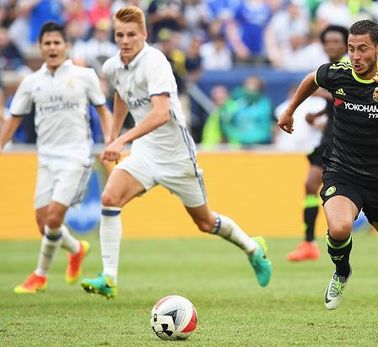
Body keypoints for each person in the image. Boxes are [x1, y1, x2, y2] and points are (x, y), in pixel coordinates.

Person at [81, 6, 272, 299]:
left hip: (176, 155)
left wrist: (122, 141)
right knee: (110, 198)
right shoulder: (112, 67)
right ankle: (109, 277)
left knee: (205, 222)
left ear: (144, 34)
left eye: (132, 34)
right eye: (120, 34)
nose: (125, 40)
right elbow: (120, 94)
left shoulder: (155, 62)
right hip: (145, 152)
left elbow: (160, 114)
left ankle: (253, 248)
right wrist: (112, 136)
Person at [278, 19, 378, 328]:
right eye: (351, 49)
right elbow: (311, 78)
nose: (355, 56)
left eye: (362, 49)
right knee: (340, 228)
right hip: (342, 171)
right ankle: (341, 271)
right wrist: (290, 110)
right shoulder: (338, 74)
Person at [0, 22, 112, 294]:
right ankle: (76, 249)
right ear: (40, 48)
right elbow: (13, 120)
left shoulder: (85, 76)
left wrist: (111, 140)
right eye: (47, 43)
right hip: (46, 158)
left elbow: (103, 110)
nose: (52, 47)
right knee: (43, 223)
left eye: (56, 43)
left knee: (53, 218)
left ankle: (39, 275)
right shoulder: (31, 82)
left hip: (76, 156)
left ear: (66, 46)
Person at [287, 25, 348, 262]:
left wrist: (322, 94)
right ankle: (309, 242)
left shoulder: (352, 68)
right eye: (328, 41)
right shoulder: (329, 70)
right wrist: (320, 115)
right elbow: (336, 103)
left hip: (346, 138)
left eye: (336, 41)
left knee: (361, 189)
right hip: (329, 137)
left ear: (345, 45)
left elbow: (348, 97)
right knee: (310, 184)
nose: (331, 45)